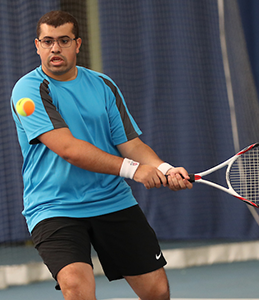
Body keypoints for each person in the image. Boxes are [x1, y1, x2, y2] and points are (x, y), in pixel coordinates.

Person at [10, 11, 194, 300]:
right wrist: (135, 171)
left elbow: (130, 144)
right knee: (76, 286)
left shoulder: (103, 84)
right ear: (37, 45)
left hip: (112, 201)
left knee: (157, 292)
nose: (55, 48)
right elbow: (69, 150)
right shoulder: (29, 90)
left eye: (63, 40)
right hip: (54, 206)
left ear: (78, 44)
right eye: (47, 41)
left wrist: (165, 167)